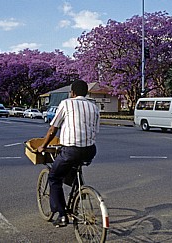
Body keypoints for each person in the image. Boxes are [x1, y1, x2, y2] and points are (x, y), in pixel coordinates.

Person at [37, 80, 100, 228]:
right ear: (86, 92)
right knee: (73, 164)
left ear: (72, 92)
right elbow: (95, 131)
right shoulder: (94, 107)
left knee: (53, 177)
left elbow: (53, 129)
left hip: (71, 150)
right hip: (90, 150)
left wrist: (43, 145)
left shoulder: (67, 103)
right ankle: (79, 188)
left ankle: (62, 215)